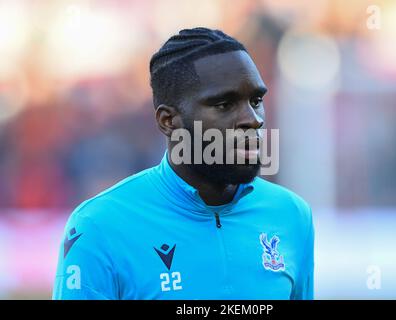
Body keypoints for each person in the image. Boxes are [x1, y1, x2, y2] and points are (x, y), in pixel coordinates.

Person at [52, 27, 314, 300]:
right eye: (224, 104)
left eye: (256, 100)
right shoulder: (99, 226)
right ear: (169, 121)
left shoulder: (292, 215)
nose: (253, 119)